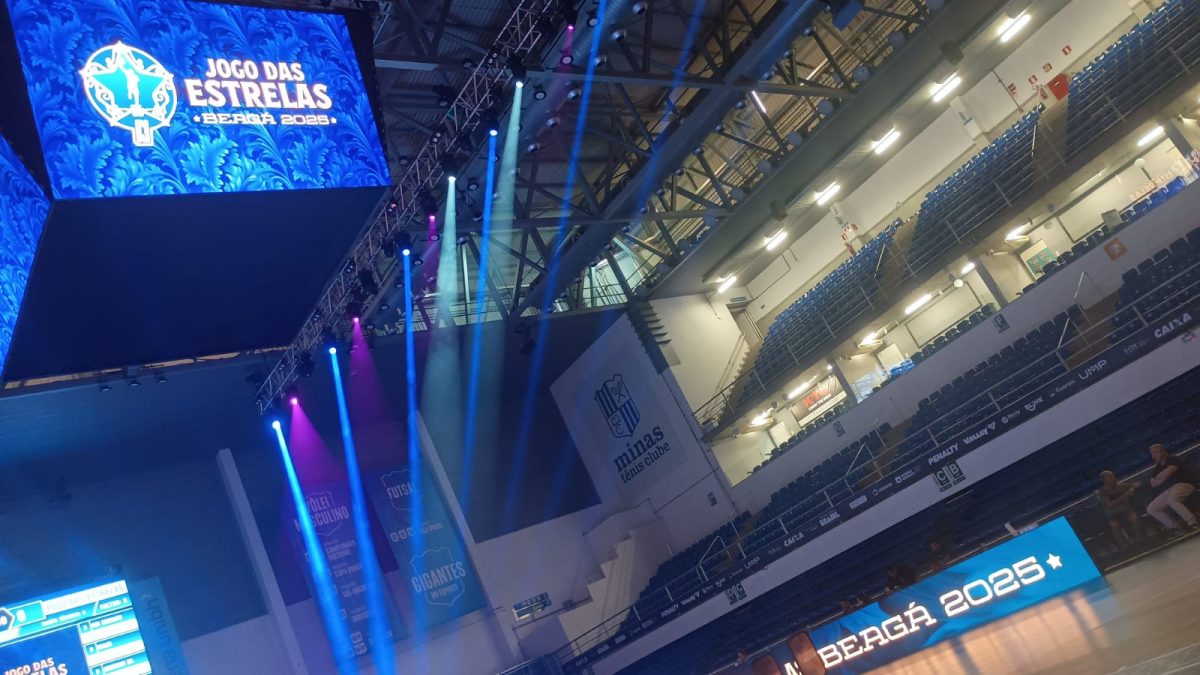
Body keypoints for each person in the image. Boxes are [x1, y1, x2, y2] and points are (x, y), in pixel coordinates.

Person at [1145, 444, 1198, 532]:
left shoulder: (1172, 459)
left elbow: (1170, 471)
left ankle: (1192, 521)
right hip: (1170, 489)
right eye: (1152, 454)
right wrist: (1162, 476)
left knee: (1172, 500)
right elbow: (1153, 484)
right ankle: (1175, 527)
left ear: (1162, 452)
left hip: (1184, 484)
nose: (1153, 456)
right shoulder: (1157, 468)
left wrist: (1159, 477)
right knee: (1151, 508)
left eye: (1155, 453)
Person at [1097, 470, 1143, 546]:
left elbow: (1137, 484)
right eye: (1110, 477)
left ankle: (1139, 540)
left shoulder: (1122, 486)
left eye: (1113, 476)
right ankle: (1123, 546)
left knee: (1133, 517)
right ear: (1105, 480)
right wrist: (1126, 494)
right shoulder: (1102, 492)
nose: (1113, 478)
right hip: (1113, 514)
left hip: (1126, 511)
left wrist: (1134, 487)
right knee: (1114, 525)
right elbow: (1110, 504)